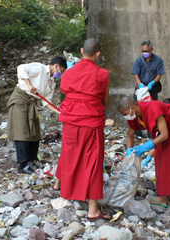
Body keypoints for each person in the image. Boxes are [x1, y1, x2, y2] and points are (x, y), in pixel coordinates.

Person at [55, 38, 111, 221]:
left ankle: (60, 186)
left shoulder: (69, 73)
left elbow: (64, 91)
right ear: (98, 54)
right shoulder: (102, 74)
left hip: (70, 120)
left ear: (81, 51)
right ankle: (92, 209)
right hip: (91, 122)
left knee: (69, 152)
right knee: (93, 161)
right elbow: (105, 101)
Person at [119, 97, 170, 207]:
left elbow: (164, 135)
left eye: (125, 114)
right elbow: (130, 136)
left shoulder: (153, 109)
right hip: (165, 130)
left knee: (167, 159)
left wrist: (146, 146)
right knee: (162, 157)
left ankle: (163, 198)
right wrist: (128, 151)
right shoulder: (134, 116)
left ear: (132, 108)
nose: (126, 117)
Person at [8, 57, 65, 174]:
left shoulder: (51, 82)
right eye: (61, 70)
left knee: (34, 133)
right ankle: (23, 165)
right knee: (22, 132)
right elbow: (21, 68)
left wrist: (59, 112)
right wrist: (29, 84)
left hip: (32, 103)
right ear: (56, 66)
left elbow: (46, 102)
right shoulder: (40, 68)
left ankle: (31, 161)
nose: (60, 73)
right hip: (20, 100)